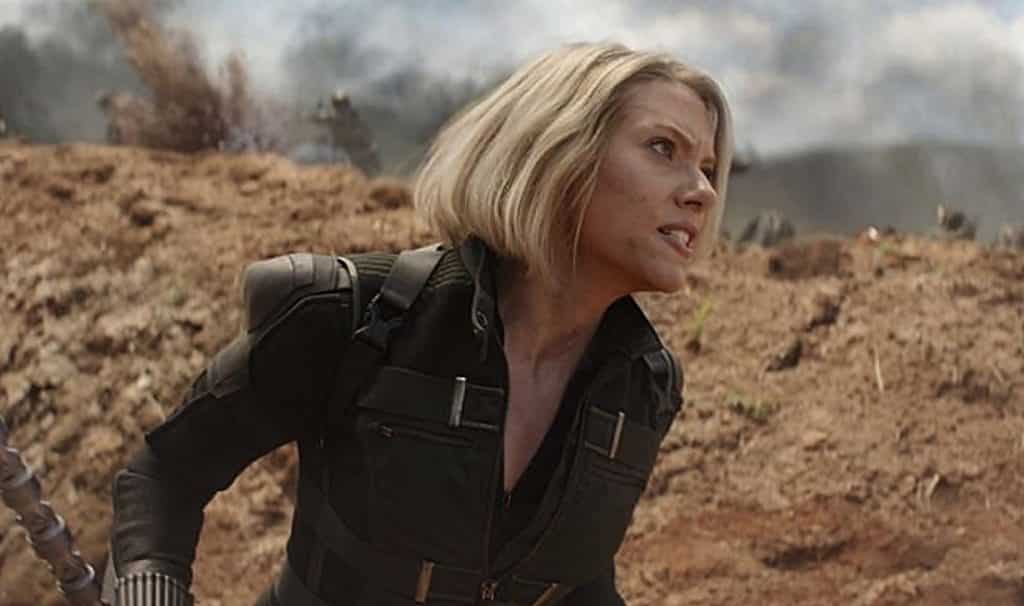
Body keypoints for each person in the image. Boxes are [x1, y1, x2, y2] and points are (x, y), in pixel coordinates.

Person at [103, 41, 734, 606]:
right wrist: (148, 588)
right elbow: (165, 475)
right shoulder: (354, 315)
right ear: (559, 151)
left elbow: (572, 580)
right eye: (663, 148)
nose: (702, 191)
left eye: (707, 168)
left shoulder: (643, 385)